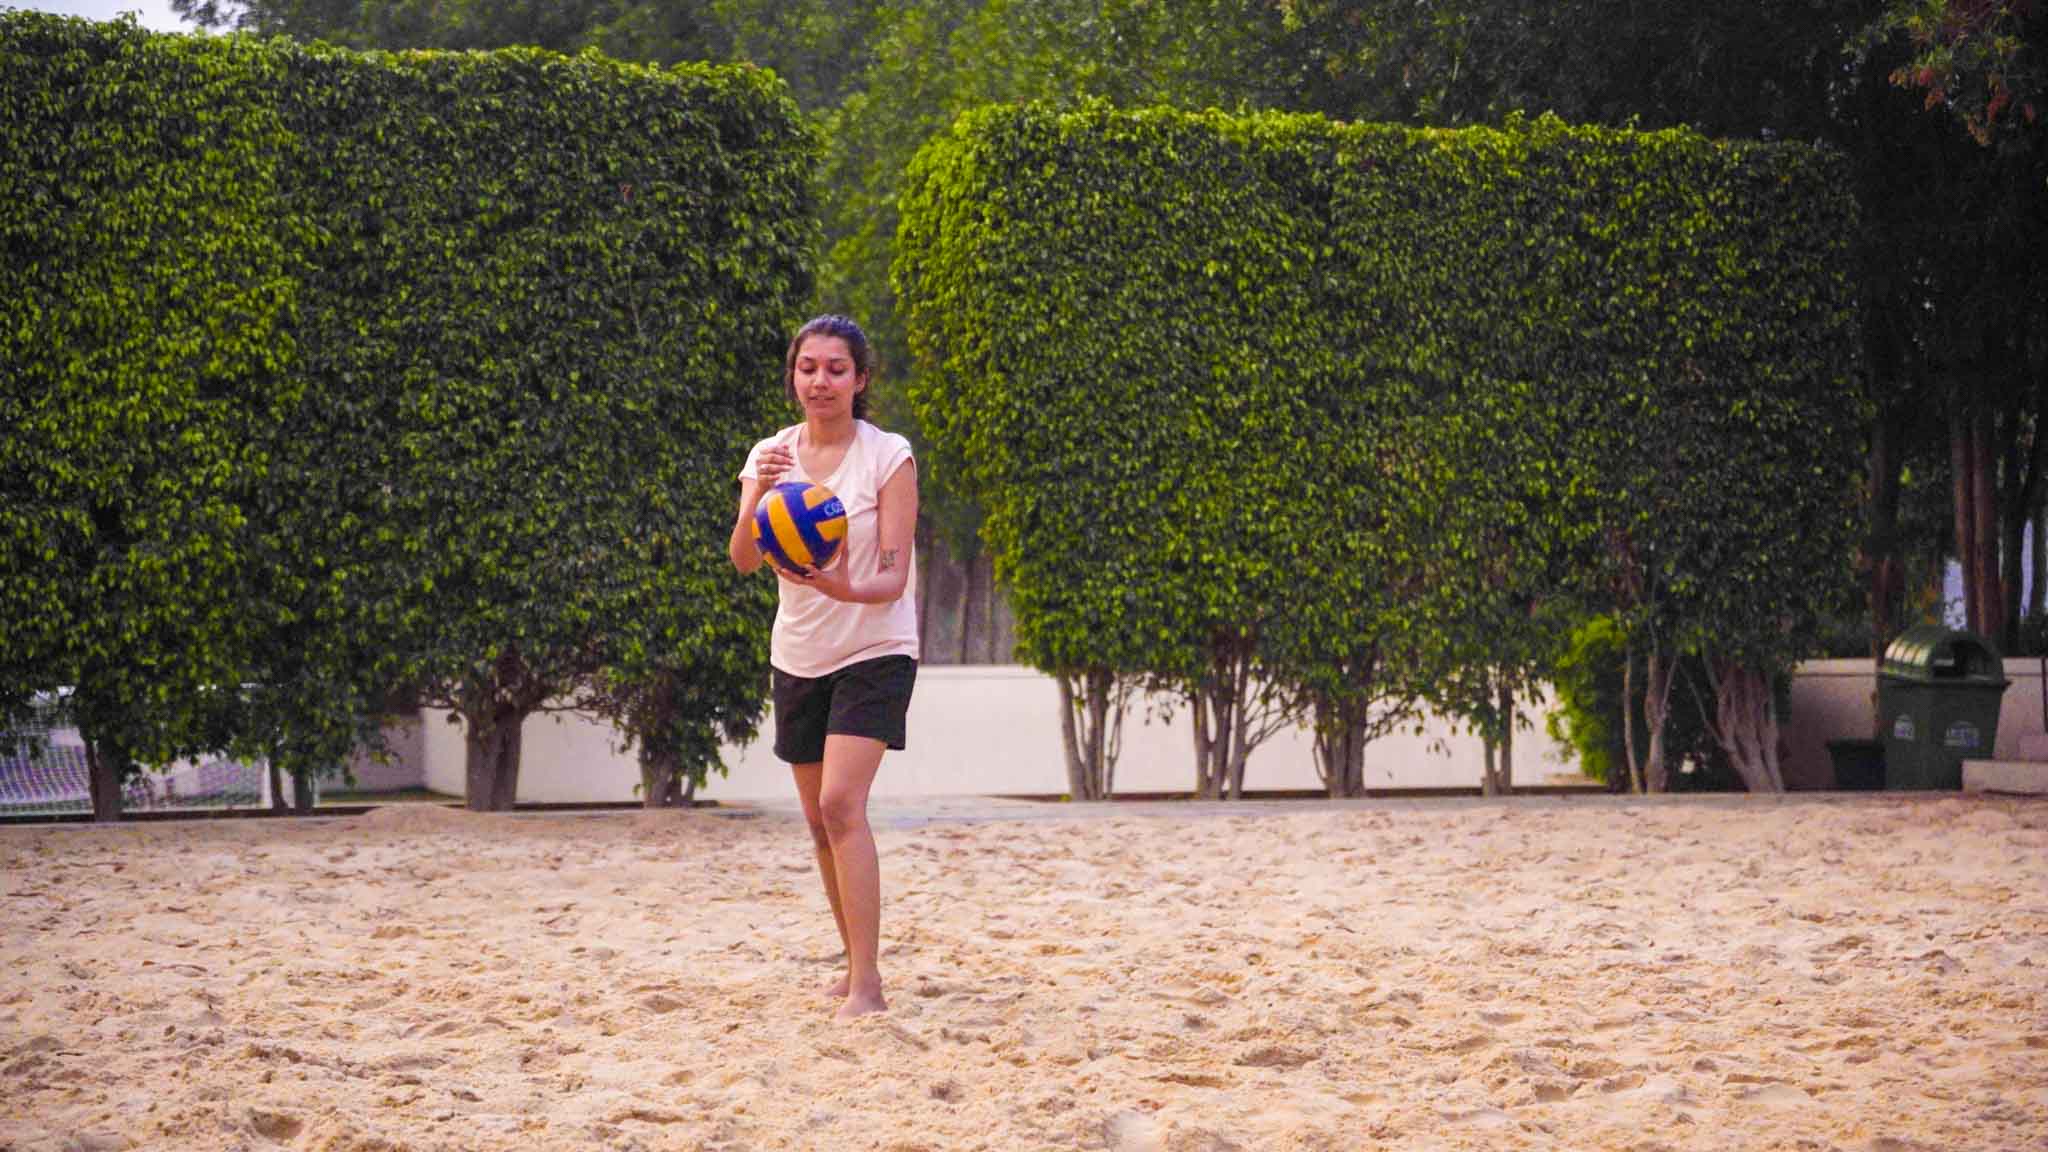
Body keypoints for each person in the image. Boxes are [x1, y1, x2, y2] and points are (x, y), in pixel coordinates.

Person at [728, 314, 919, 1020]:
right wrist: (757, 492)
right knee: (817, 820)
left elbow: (893, 577)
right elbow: (744, 558)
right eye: (808, 367)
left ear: (860, 380)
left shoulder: (887, 457)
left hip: (876, 647)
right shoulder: (771, 454)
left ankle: (868, 985)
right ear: (793, 377)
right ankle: (852, 964)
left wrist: (844, 586)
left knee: (842, 805)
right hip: (800, 652)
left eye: (836, 369)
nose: (820, 381)